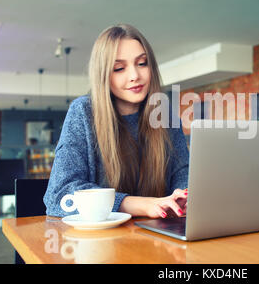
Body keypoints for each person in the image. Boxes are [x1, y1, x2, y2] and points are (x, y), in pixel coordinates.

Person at [43, 24, 189, 219]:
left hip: (158, 235)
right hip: (99, 244)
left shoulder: (165, 114)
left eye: (142, 63)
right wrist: (138, 205)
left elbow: (182, 174)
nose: (135, 76)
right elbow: (60, 196)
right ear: (103, 75)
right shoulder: (83, 112)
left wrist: (182, 197)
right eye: (119, 68)